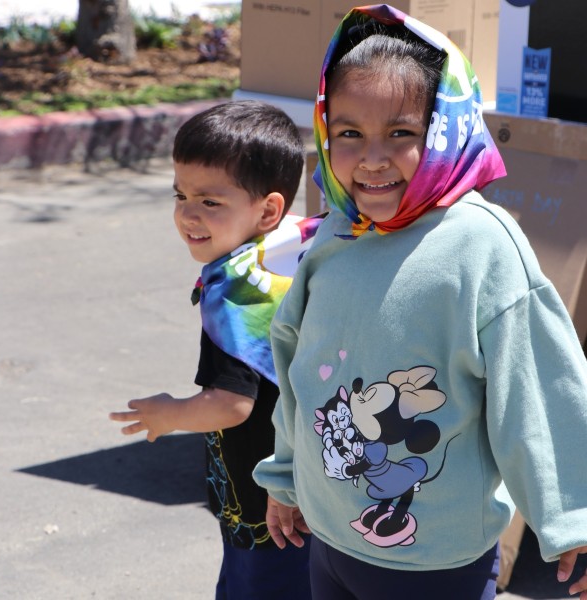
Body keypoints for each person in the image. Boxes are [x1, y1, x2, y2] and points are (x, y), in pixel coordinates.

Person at [252, 5, 587, 600]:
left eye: (401, 133)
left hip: (439, 561)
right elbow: (294, 367)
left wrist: (575, 524)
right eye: (350, 133)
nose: (372, 158)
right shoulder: (338, 233)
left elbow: (539, 390)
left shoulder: (481, 245)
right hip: (331, 537)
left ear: (443, 129)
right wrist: (284, 478)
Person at [109, 100, 322, 600]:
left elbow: (231, 403)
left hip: (264, 509)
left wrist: (171, 415)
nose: (187, 213)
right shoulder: (292, 254)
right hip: (308, 489)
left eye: (210, 201)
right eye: (181, 194)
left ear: (268, 209)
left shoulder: (237, 298)